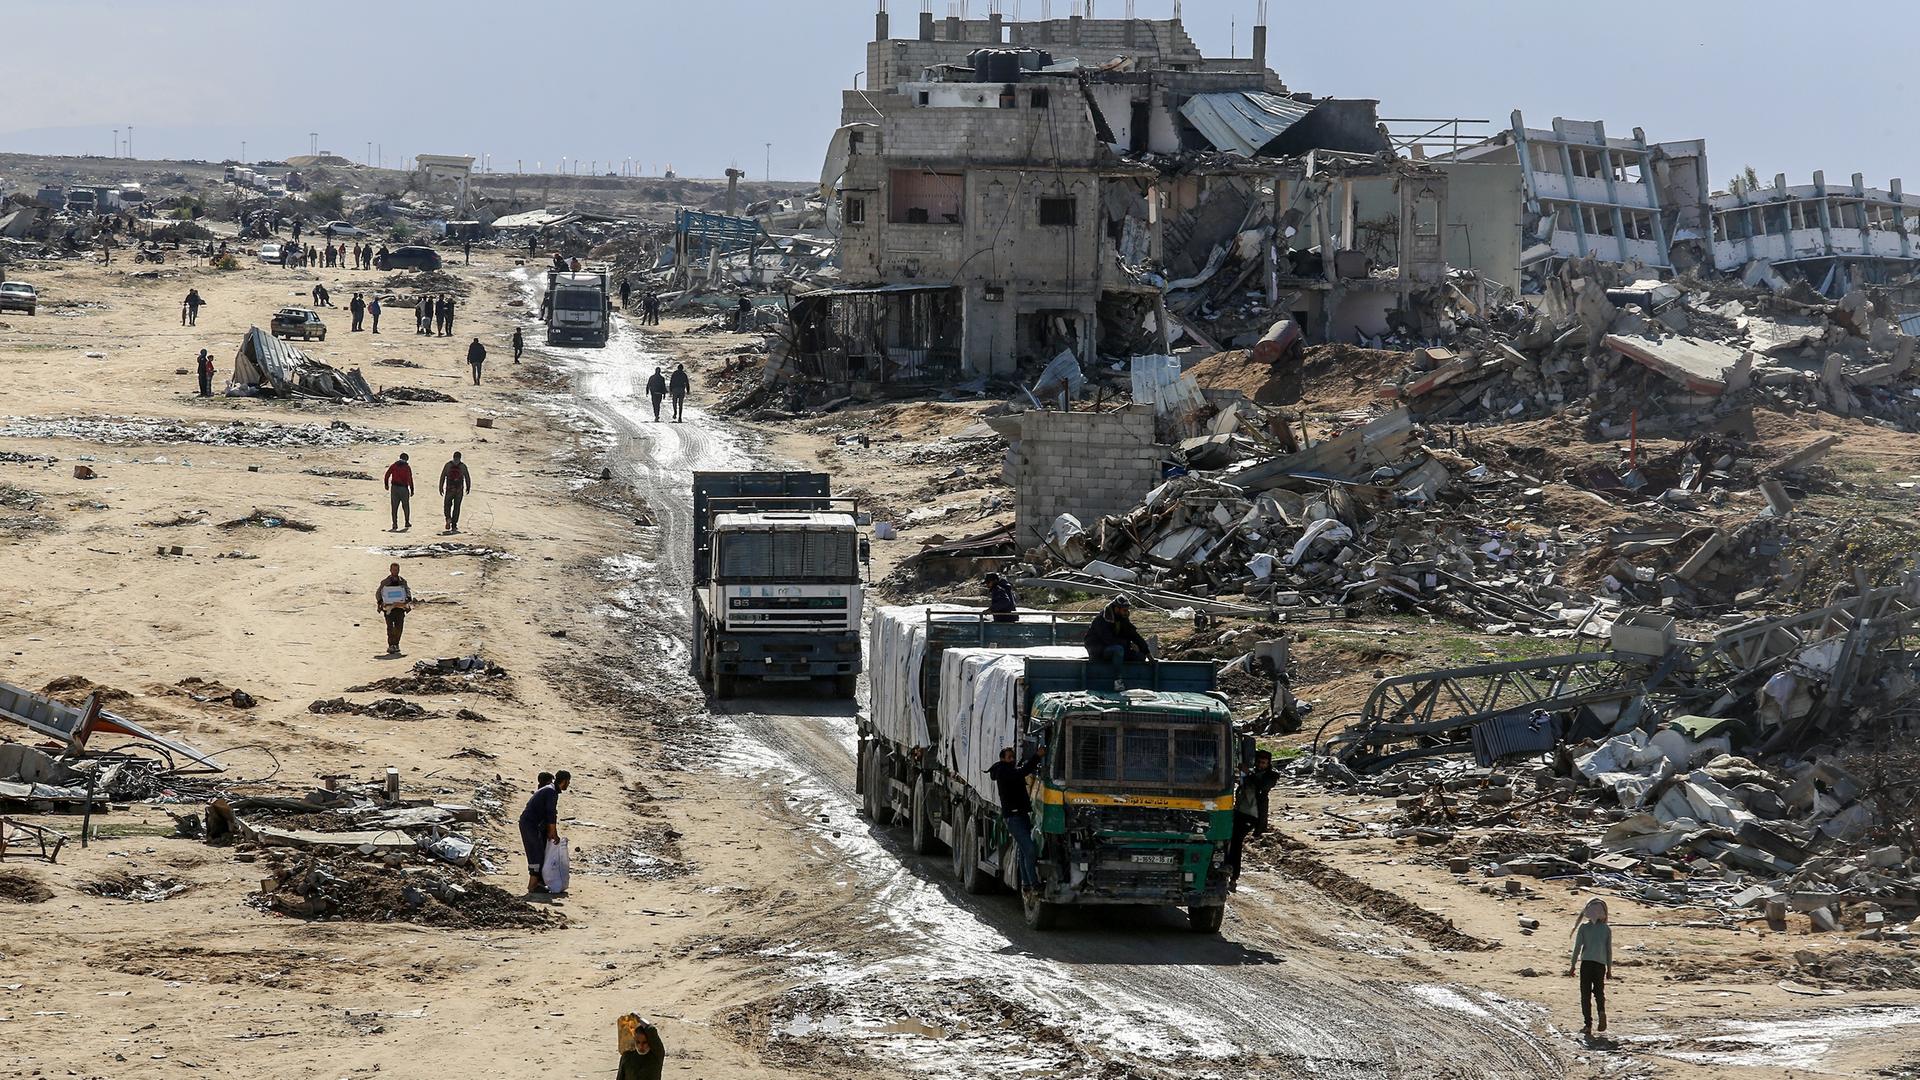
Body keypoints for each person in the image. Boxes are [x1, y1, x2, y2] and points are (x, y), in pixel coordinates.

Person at [986, 744, 1045, 893]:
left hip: (1021, 815)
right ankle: (1034, 883)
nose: (1012, 759)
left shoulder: (1009, 770)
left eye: (1013, 757)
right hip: (1014, 818)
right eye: (1009, 757)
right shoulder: (1003, 772)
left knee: (1024, 851)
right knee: (1030, 850)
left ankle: (1025, 884)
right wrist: (1037, 756)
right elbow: (1023, 772)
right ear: (1002, 759)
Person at [1224, 749, 1278, 888]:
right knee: (1226, 840)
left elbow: (1262, 785)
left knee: (1236, 842)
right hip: (1238, 812)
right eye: (1259, 762)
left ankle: (1233, 877)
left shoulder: (1271, 776)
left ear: (1268, 764)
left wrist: (1247, 773)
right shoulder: (1251, 773)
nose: (1261, 765)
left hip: (1251, 815)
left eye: (1264, 763)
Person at [518, 770, 570, 894]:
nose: (568, 784)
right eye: (568, 782)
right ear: (564, 781)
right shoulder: (551, 792)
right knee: (536, 852)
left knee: (539, 851)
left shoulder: (549, 789)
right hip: (531, 825)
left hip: (530, 824)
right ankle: (533, 886)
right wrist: (554, 833)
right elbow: (550, 814)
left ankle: (538, 883)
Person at [1569, 899, 1613, 1038]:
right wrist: (1609, 969)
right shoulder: (1606, 929)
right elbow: (1609, 950)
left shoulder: (1583, 928)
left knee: (1585, 994)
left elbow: (1577, 948)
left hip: (1586, 964)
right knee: (1599, 992)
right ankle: (1601, 1011)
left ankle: (1588, 1025)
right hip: (1600, 965)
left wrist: (1572, 965)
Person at [1084, 595, 1151, 664]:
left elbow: (1134, 635)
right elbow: (1108, 639)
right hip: (1098, 650)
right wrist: (1129, 644)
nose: (1127, 613)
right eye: (1124, 610)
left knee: (1140, 656)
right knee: (1118, 650)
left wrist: (1147, 653)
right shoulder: (1101, 619)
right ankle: (1117, 674)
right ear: (1116, 609)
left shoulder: (1122, 618)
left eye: (1127, 610)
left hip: (1116, 647)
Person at [374, 562, 412, 656]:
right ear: (390, 570)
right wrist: (380, 602)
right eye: (394, 569)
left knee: (399, 627)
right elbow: (378, 593)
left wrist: (407, 599)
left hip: (400, 608)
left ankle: (396, 644)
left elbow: (407, 591)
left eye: (397, 569)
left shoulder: (403, 581)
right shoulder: (385, 582)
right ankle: (391, 645)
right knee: (390, 627)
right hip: (389, 608)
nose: (395, 571)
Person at [617, 1015, 665, 1080]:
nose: (641, 1046)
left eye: (644, 1042)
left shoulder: (656, 1055)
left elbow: (651, 1029)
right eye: (638, 1042)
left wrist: (639, 1019)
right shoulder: (627, 1057)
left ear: (650, 1042)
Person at [439, 450, 472, 533]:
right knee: (457, 507)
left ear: (453, 457)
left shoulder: (448, 465)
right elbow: (467, 477)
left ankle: (448, 518)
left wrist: (441, 487)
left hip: (449, 489)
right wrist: (468, 487)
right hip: (459, 490)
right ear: (460, 458)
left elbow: (442, 476)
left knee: (447, 505)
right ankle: (454, 525)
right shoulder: (463, 466)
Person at [383, 452, 414, 531]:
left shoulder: (394, 465)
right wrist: (412, 489)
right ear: (407, 459)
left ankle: (394, 524)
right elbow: (410, 478)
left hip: (394, 488)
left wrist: (386, 484)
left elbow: (387, 475)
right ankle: (407, 522)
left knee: (394, 507)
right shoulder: (407, 467)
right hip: (403, 488)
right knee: (406, 506)